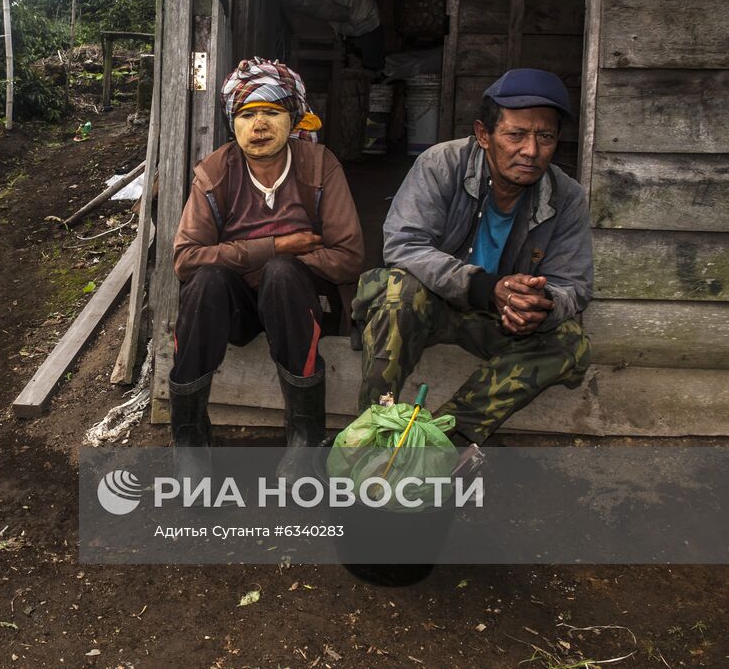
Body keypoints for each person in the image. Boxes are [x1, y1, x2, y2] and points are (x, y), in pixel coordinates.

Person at [353, 68, 592, 447]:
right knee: (400, 287)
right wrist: (484, 286)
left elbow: (573, 286)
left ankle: (449, 435)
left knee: (570, 342)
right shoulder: (441, 164)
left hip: (498, 323)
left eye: (545, 136)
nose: (531, 150)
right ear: (484, 134)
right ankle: (373, 426)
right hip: (432, 307)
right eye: (516, 135)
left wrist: (539, 305)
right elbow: (402, 245)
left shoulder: (567, 196)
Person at [171, 58, 365, 468]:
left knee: (281, 275)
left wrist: (282, 260)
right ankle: (189, 439)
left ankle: (305, 437)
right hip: (238, 313)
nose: (258, 126)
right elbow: (186, 259)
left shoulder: (319, 166)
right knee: (206, 282)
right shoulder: (215, 173)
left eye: (271, 113)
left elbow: (348, 258)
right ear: (232, 124)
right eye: (246, 115)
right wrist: (277, 246)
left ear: (293, 118)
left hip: (304, 307)